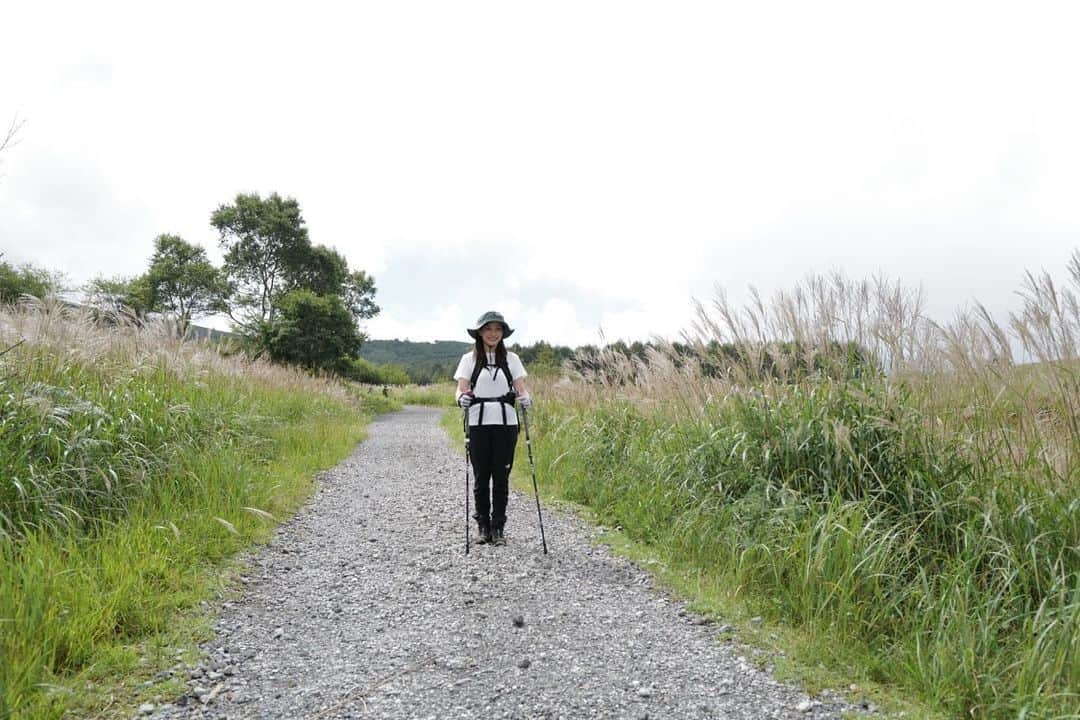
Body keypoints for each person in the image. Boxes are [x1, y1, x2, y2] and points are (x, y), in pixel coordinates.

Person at [454, 311, 533, 546]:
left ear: (503, 333)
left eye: (498, 330)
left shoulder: (512, 359)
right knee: (480, 477)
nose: (493, 334)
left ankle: (498, 527)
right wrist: (461, 399)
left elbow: (521, 389)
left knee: (501, 477)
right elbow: (461, 389)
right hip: (478, 424)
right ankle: (483, 527)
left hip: (507, 424)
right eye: (488, 329)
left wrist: (527, 399)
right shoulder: (468, 359)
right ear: (480, 332)